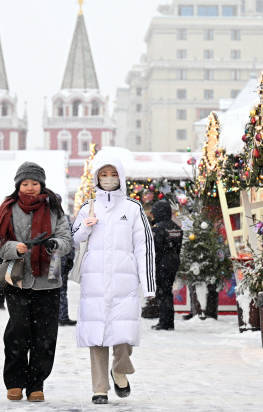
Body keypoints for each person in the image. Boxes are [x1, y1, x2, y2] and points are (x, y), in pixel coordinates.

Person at [72, 158, 155, 405]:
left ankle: (119, 370)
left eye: (113, 173)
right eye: (103, 174)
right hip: (94, 282)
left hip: (124, 282)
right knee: (96, 336)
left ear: (120, 176)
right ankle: (99, 388)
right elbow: (74, 240)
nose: (108, 178)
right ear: (97, 177)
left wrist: (148, 284)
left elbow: (144, 246)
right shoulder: (88, 207)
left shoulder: (132, 208)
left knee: (123, 335)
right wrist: (85, 228)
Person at [0, 162, 72, 403]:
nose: (29, 188)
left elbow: (66, 239)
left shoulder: (54, 208)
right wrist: (13, 248)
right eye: (25, 183)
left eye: (34, 184)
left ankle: (36, 383)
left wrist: (55, 245)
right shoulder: (8, 208)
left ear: (42, 185)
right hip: (18, 279)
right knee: (18, 331)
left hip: (48, 279)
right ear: (18, 185)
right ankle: (15, 382)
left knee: (45, 334)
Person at [150, 200, 182, 331]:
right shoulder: (176, 227)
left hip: (162, 264)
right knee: (167, 292)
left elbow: (155, 249)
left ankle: (164, 322)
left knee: (162, 293)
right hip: (173, 262)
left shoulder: (158, 228)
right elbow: (178, 247)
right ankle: (169, 321)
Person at [58, 214, 77, 326]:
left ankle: (58, 317)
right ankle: (62, 316)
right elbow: (71, 241)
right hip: (61, 260)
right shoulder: (64, 220)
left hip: (55, 260)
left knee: (56, 291)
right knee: (61, 291)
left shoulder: (46, 217)